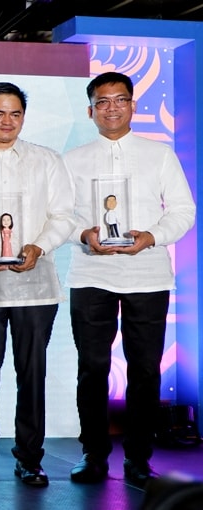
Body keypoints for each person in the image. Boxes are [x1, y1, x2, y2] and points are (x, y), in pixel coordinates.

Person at [64, 72, 195, 487]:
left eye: (120, 100)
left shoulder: (159, 156)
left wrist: (152, 237)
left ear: (133, 106)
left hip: (148, 274)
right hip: (91, 272)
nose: (111, 108)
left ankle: (139, 458)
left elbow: (183, 210)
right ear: (90, 110)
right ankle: (93, 455)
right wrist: (84, 235)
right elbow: (61, 216)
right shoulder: (72, 160)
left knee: (144, 371)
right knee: (92, 368)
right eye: (102, 102)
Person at [0, 82, 75, 487]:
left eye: (15, 114)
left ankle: (30, 457)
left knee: (31, 375)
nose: (7, 121)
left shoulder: (47, 161)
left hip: (35, 287)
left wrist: (40, 246)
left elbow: (64, 216)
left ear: (24, 117)